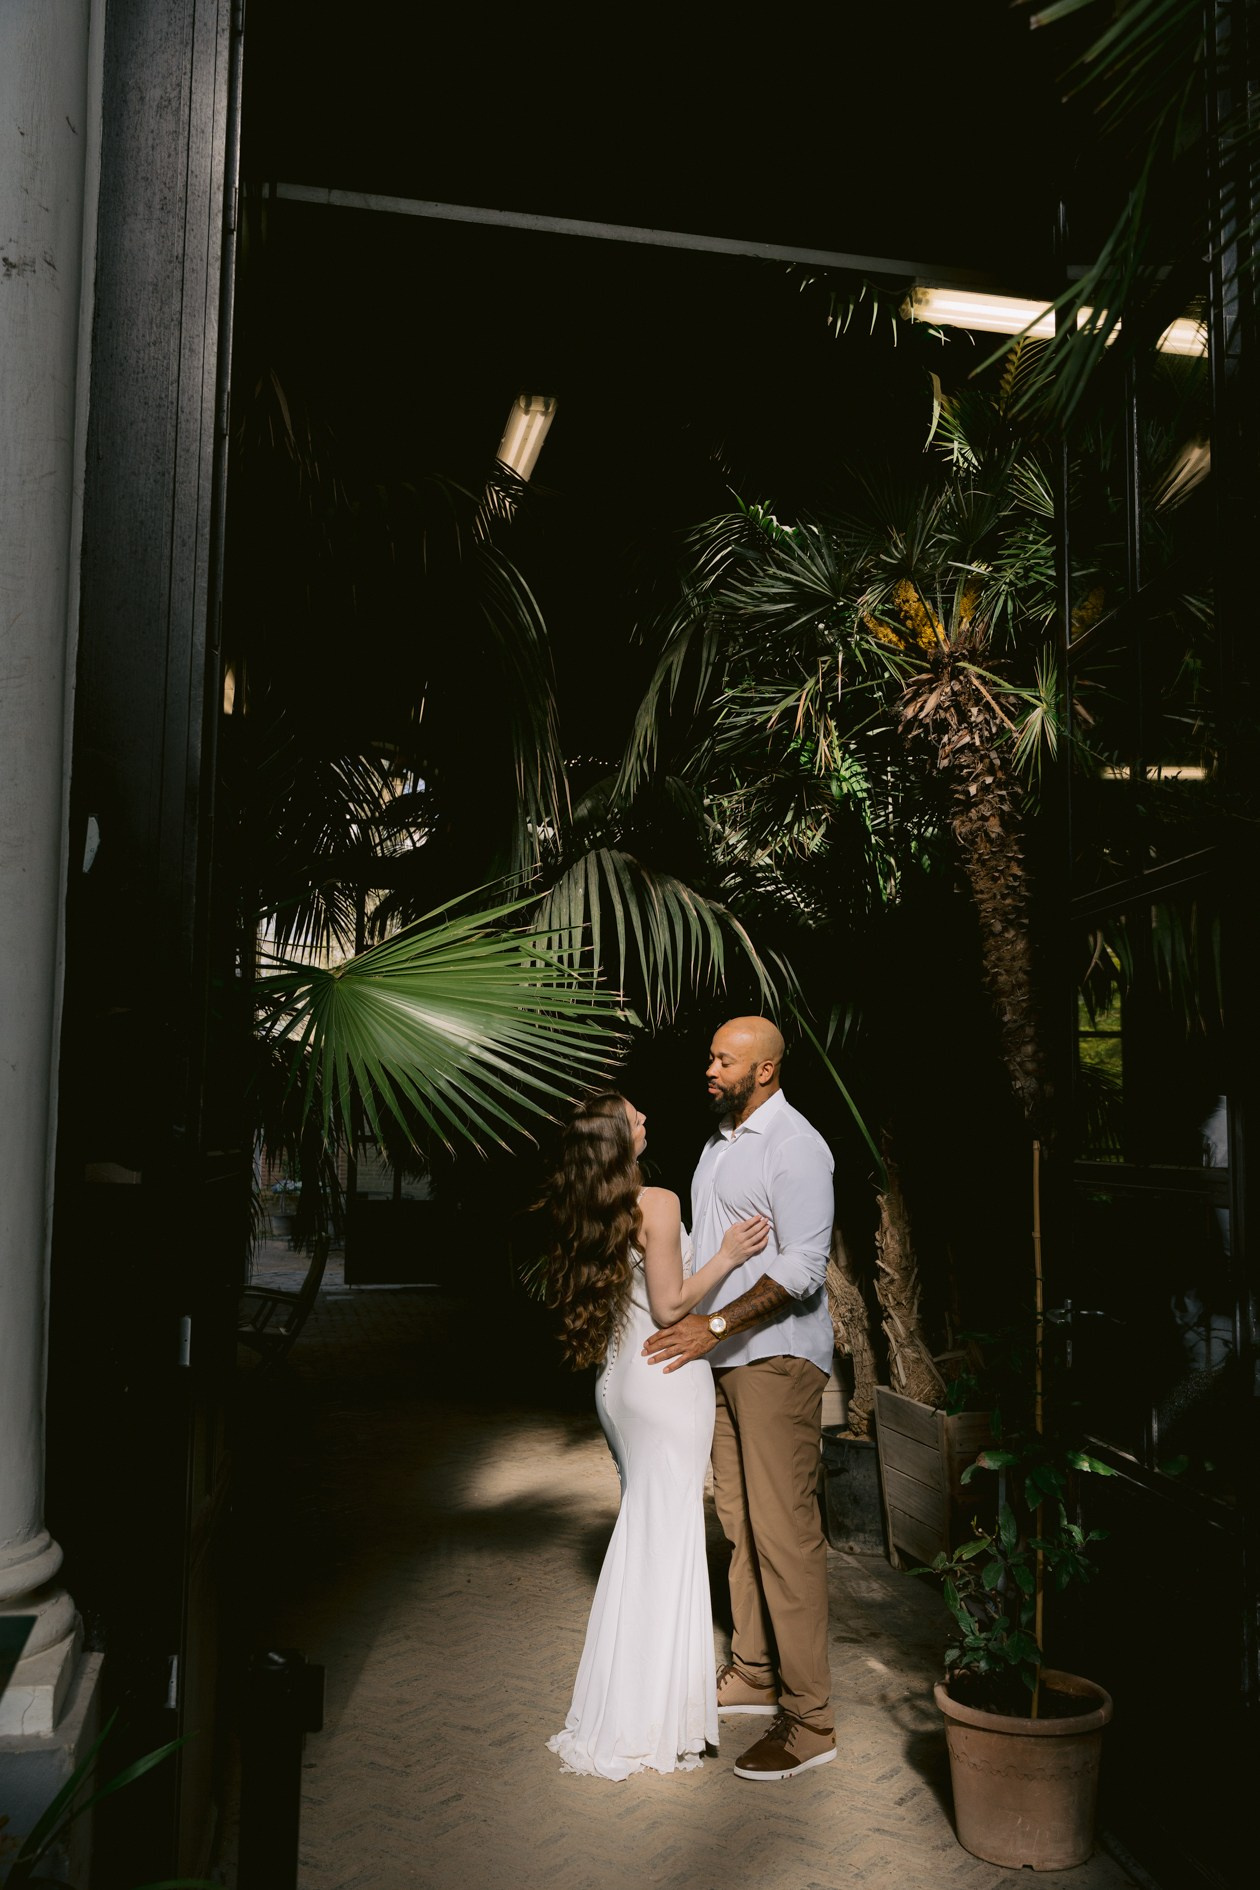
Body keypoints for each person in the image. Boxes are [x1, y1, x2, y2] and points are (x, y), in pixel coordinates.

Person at [540, 1091, 769, 1779]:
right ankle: (648, 1717)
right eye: (634, 1117)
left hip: (618, 1386)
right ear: (616, 1138)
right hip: (668, 1383)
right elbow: (671, 1304)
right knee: (665, 1543)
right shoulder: (659, 1202)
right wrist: (727, 1253)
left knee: (646, 1535)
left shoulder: (594, 1204)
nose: (646, 1120)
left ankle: (641, 1700)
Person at [643, 1017, 836, 1782]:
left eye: (725, 1058)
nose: (710, 1066)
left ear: (764, 1070)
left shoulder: (796, 1146)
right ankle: (754, 1672)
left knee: (786, 1535)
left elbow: (805, 1268)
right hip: (722, 1361)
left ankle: (812, 1719)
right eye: (711, 1054)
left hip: (776, 1361)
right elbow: (703, 1251)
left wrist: (713, 1323)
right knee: (741, 1523)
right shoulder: (719, 1142)